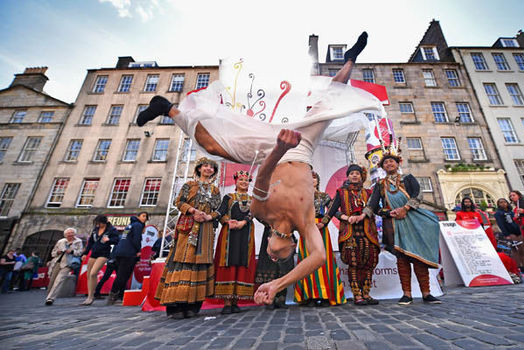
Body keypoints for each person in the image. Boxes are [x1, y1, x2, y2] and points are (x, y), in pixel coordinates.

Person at [137, 32, 383, 304]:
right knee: (331, 102)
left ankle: (167, 108)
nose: (274, 255)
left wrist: (278, 149)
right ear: (292, 245)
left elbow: (262, 176)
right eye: (282, 256)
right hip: (303, 147)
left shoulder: (259, 212)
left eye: (272, 254)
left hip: (272, 150)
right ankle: (351, 59)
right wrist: (280, 283)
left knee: (214, 147)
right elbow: (319, 257)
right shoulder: (305, 225)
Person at [365, 153, 441, 305]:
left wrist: (405, 208)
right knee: (402, 258)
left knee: (418, 257)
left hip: (413, 219)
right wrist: (385, 213)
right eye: (385, 163)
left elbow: (417, 195)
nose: (389, 164)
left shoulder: (408, 178)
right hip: (393, 224)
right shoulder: (380, 185)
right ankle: (407, 294)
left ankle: (426, 293)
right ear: (382, 167)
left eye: (391, 161)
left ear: (397, 164)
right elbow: (373, 205)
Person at [156, 157, 221, 319]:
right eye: (206, 166)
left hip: (205, 230)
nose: (208, 169)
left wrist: (208, 217)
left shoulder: (215, 190)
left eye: (212, 167)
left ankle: (193, 305)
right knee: (183, 260)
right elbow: (179, 202)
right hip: (188, 227)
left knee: (200, 262)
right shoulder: (188, 185)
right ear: (199, 168)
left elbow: (219, 210)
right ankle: (176, 305)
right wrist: (193, 211)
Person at [322, 164, 379, 306]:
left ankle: (366, 293)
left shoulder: (369, 193)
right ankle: (357, 294)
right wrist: (326, 223)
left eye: (357, 173)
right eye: (352, 173)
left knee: (369, 262)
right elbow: (332, 209)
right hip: (350, 232)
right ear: (348, 176)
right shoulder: (341, 192)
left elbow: (375, 208)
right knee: (354, 263)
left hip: (368, 232)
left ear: (361, 176)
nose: (354, 176)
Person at [295, 171, 346, 307]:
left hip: (321, 227)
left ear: (317, 180)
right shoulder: (299, 197)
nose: (312, 180)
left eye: (314, 178)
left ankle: (324, 295)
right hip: (306, 229)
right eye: (309, 178)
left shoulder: (324, 196)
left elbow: (333, 210)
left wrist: (346, 218)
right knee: (306, 260)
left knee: (325, 261)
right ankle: (309, 295)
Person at [213, 171, 257, 314]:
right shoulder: (228, 197)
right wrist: (227, 221)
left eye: (246, 180)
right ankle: (227, 302)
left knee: (242, 263)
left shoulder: (253, 199)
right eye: (241, 180)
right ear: (236, 182)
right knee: (229, 263)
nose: (244, 182)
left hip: (246, 233)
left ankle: (236, 301)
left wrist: (244, 222)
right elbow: (220, 212)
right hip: (229, 235)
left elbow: (254, 214)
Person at [107, 212, 148, 305]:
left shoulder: (129, 225)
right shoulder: (137, 225)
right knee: (123, 275)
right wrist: (138, 250)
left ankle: (119, 295)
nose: (145, 218)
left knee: (121, 275)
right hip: (129, 253)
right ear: (138, 217)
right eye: (143, 216)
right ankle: (113, 295)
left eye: (146, 217)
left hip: (120, 252)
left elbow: (124, 238)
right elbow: (136, 239)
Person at [80, 215, 120, 305]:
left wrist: (109, 240)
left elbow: (116, 240)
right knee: (89, 275)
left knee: (93, 273)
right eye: (96, 223)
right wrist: (85, 253)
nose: (98, 225)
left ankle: (92, 296)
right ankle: (90, 296)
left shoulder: (111, 230)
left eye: (99, 223)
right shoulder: (95, 230)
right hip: (94, 253)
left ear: (104, 222)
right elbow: (90, 242)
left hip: (104, 253)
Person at [254, 224, 295, 309]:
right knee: (269, 266)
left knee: (284, 266)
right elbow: (258, 214)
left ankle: (281, 299)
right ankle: (269, 299)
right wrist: (268, 221)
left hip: (286, 233)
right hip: (270, 232)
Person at [45, 228, 84, 305]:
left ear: (74, 234)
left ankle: (50, 298)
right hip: (57, 262)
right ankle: (49, 295)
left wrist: (72, 251)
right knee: (52, 281)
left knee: (59, 280)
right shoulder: (61, 241)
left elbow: (80, 252)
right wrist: (57, 252)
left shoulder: (78, 242)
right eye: (68, 233)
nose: (70, 234)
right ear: (65, 235)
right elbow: (53, 253)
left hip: (68, 263)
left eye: (72, 233)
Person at [494, 198, 524, 269]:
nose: (503, 203)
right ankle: (519, 267)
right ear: (498, 205)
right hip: (510, 233)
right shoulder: (498, 213)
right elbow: (501, 225)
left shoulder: (511, 212)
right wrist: (506, 235)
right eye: (501, 202)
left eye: (504, 202)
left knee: (522, 250)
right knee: (515, 250)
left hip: (518, 231)